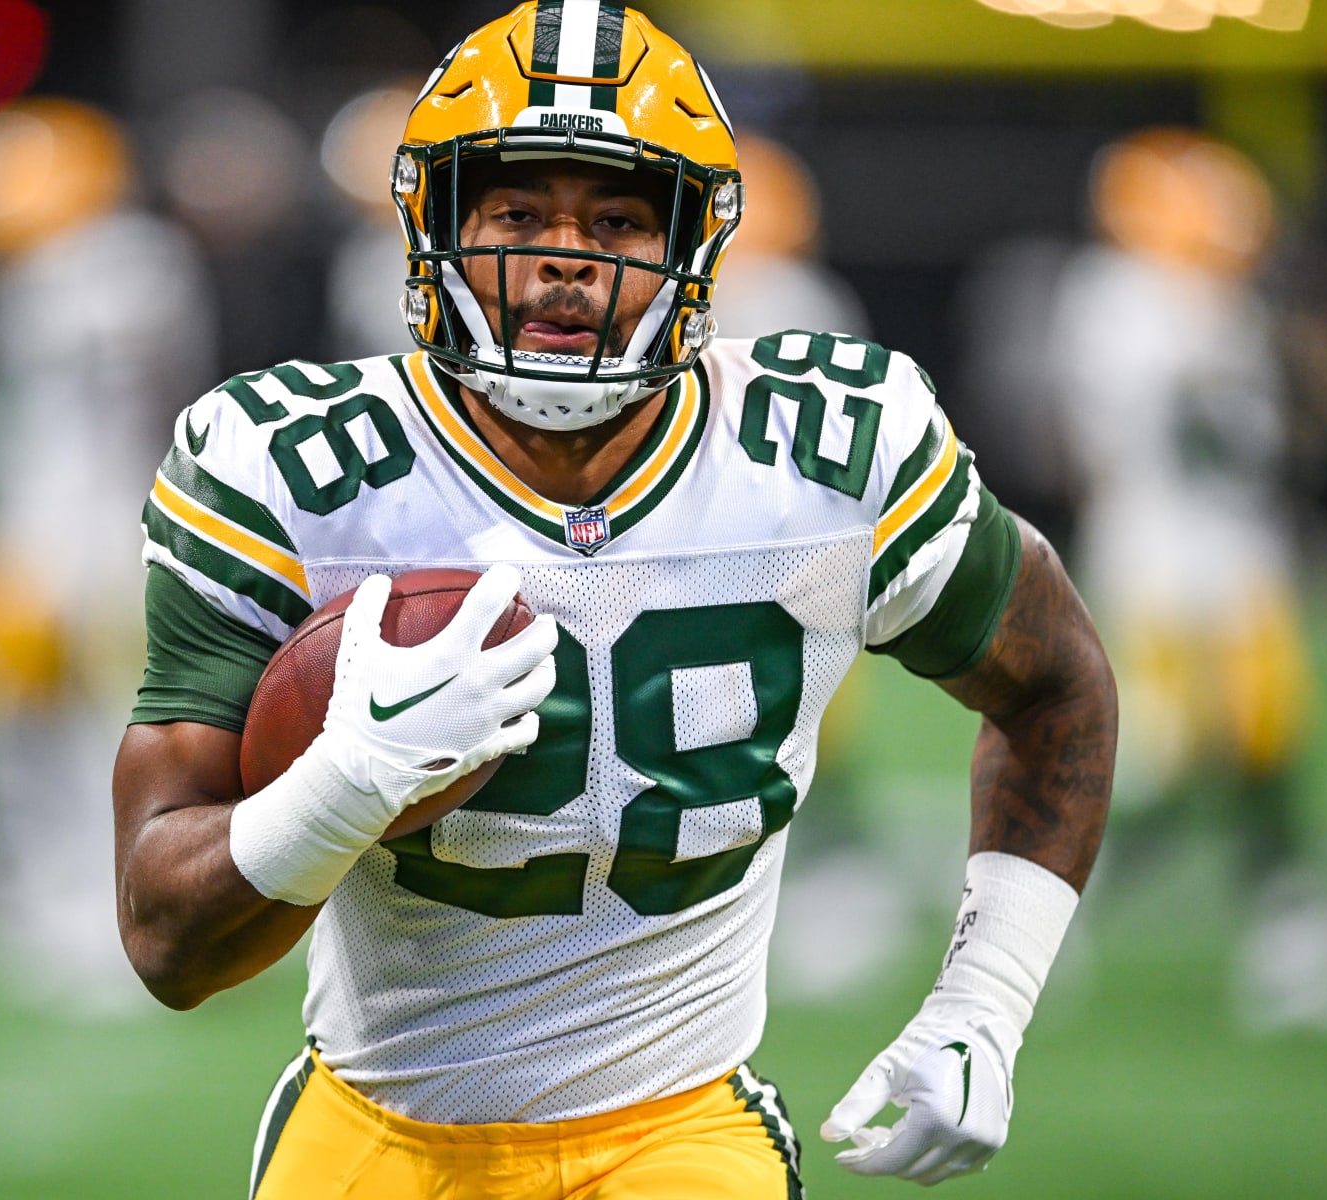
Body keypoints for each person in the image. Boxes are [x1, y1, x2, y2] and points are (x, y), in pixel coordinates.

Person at [114, 5, 1115, 1196]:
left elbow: (1059, 685)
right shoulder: (294, 476)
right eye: (520, 211)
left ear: (695, 245)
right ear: (437, 222)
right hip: (379, 1129)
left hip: (679, 1132)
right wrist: (345, 785)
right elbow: (165, 940)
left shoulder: (827, 457)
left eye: (621, 219)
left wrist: (984, 1005)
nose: (566, 259)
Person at [1048, 128, 1327, 1036]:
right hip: (1173, 560)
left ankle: (1292, 931)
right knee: (1186, 760)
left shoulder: (1173, 300)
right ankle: (1039, 915)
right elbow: (1204, 436)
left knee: (1260, 746)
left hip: (1218, 554)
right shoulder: (1135, 301)